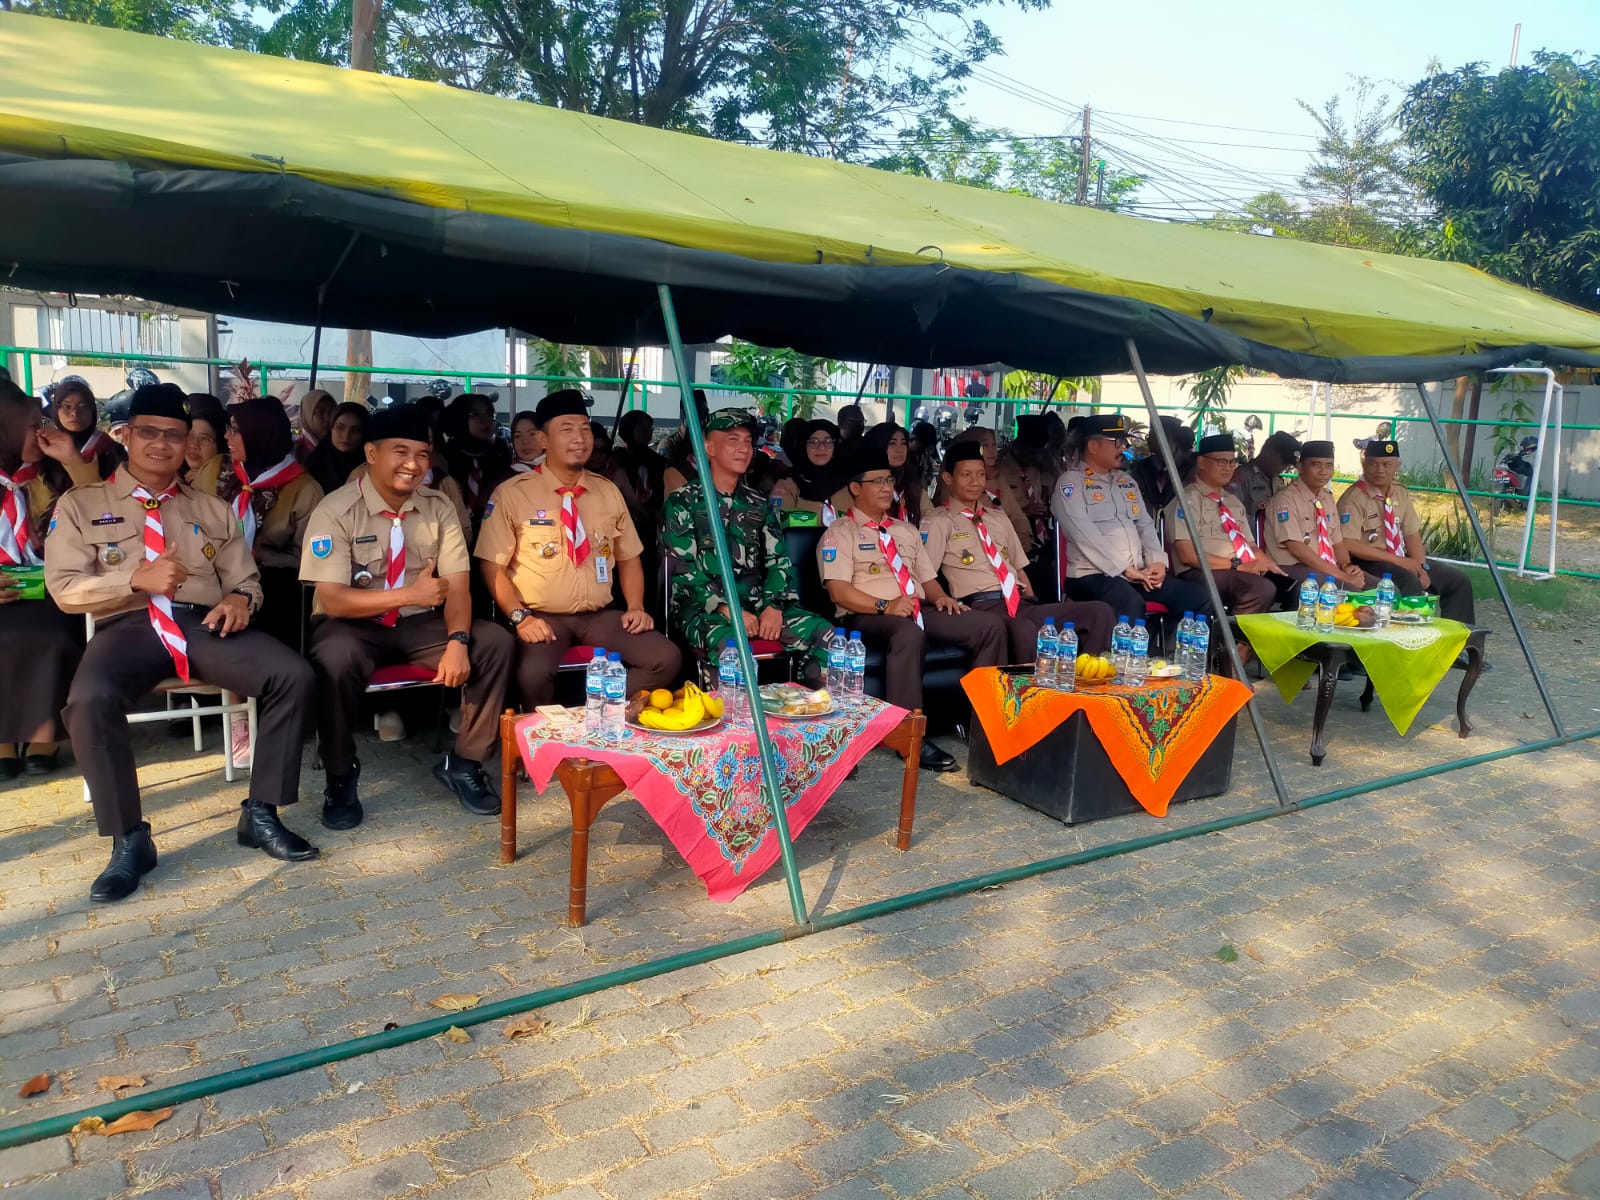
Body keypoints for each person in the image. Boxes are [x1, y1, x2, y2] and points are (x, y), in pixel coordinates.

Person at [46, 384, 319, 902]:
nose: (162, 444)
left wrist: (241, 600)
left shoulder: (211, 508)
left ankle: (261, 812)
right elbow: (63, 590)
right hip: (125, 625)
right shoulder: (82, 505)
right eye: (148, 432)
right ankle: (129, 840)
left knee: (294, 675)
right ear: (124, 436)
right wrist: (132, 580)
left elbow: (247, 579)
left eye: (175, 435)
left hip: (201, 623)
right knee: (87, 703)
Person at [300, 405, 514, 827]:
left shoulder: (437, 508)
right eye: (401, 452)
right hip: (351, 624)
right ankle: (341, 775)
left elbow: (457, 584)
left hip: (418, 623)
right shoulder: (335, 509)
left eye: (422, 454)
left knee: (495, 643)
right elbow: (334, 599)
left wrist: (458, 641)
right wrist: (408, 592)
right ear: (372, 454)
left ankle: (466, 763)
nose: (413, 465)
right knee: (333, 661)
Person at [476, 389, 681, 708]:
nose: (580, 438)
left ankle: (594, 712)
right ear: (543, 440)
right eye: (567, 429)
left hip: (599, 615)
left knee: (665, 658)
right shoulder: (513, 494)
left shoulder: (606, 491)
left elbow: (629, 558)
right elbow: (492, 567)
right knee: (532, 674)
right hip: (543, 616)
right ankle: (546, 735)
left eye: (585, 428)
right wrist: (521, 618)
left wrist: (637, 607)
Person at [818, 447, 1008, 773]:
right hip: (867, 614)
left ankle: (986, 726)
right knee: (908, 631)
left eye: (888, 481)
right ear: (855, 488)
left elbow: (927, 579)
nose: (885, 488)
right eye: (876, 482)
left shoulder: (903, 529)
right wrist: (885, 606)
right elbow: (839, 591)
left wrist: (940, 598)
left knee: (989, 626)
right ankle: (907, 736)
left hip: (915, 606)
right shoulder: (839, 533)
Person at [663, 409, 833, 681]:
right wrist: (727, 608)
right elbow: (683, 570)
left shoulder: (758, 503)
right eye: (733, 440)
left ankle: (801, 710)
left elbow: (779, 561)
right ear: (709, 447)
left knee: (824, 634)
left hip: (757, 605)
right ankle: (735, 720)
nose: (743, 449)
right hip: (703, 609)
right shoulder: (684, 502)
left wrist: (774, 606)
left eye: (747, 441)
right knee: (731, 646)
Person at [922, 441, 1113, 661]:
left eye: (980, 474)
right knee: (1024, 630)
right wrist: (942, 598)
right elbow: (925, 574)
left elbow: (1020, 569)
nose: (975, 482)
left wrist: (1030, 600)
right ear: (948, 478)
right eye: (966, 475)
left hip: (1019, 603)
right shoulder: (938, 522)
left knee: (1099, 612)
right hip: (982, 607)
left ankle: (1089, 683)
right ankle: (1027, 694)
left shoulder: (997, 517)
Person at [0, 381, 85, 780]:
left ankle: (43, 731)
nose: (43, 431)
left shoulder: (53, 472)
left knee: (54, 636)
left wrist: (74, 463)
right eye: (31, 424)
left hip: (51, 589)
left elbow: (105, 515)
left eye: (43, 421)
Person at [1053, 414, 1211, 622]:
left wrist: (1157, 562)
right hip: (1091, 575)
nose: (1123, 447)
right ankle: (1123, 655)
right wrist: (1124, 569)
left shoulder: (1126, 481)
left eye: (1124, 441)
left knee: (1197, 597)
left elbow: (1145, 526)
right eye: (1117, 442)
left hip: (1136, 574)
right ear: (1093, 446)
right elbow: (1085, 535)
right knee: (1130, 602)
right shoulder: (1071, 483)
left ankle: (1179, 651)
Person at [218, 396, 325, 646]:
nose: (226, 437)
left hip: (273, 589)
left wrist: (256, 556)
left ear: (260, 434)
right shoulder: (217, 471)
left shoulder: (304, 489)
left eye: (235, 430)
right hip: (214, 573)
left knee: (277, 589)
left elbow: (309, 559)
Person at [1338, 439, 1474, 622]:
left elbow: (1412, 535)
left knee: (1458, 581)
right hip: (1369, 560)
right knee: (1407, 578)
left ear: (1397, 466)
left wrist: (1421, 567)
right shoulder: (1354, 498)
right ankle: (1410, 639)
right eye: (1373, 464)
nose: (1380, 470)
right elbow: (1348, 543)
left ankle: (1461, 642)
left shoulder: (1400, 493)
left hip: (1400, 557)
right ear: (1364, 464)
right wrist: (1401, 562)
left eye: (1387, 465)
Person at [1169, 434, 1290, 615]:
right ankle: (1236, 640)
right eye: (1221, 462)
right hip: (1201, 571)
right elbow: (1188, 555)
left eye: (1232, 462)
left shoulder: (1233, 502)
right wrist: (1238, 566)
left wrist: (1264, 561)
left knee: (1288, 585)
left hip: (1238, 568)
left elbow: (1249, 543)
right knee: (1260, 589)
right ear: (1201, 462)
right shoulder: (1187, 500)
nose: (1228, 468)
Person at [1265, 440, 1376, 590]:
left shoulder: (1327, 498)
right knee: (1348, 588)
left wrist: (1346, 565)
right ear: (1300, 466)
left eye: (1329, 465)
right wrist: (1342, 576)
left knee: (1380, 588)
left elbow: (1337, 542)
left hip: (1327, 566)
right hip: (1292, 568)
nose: (1323, 471)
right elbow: (1297, 548)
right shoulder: (1285, 500)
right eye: (1315, 465)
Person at [829, 423, 925, 525]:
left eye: (904, 443)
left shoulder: (913, 485)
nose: (900, 449)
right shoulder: (856, 486)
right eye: (892, 443)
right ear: (878, 445)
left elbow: (931, 516)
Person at [441, 393, 513, 527]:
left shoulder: (501, 452)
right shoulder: (446, 455)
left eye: (489, 414)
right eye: (475, 414)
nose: (485, 420)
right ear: (459, 419)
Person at [770, 419, 847, 524]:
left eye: (828, 441)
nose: (821, 447)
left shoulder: (850, 484)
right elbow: (776, 523)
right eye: (813, 442)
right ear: (803, 446)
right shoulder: (786, 485)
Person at [48, 377, 125, 479]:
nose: (74, 413)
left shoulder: (111, 450)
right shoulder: (48, 449)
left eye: (83, 405)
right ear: (56, 409)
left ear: (92, 410)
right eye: (67, 406)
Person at [1228, 431, 1301, 537]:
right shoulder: (1242, 477)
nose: (1283, 468)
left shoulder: (1278, 481)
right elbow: (1233, 517)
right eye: (1283, 462)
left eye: (1287, 465)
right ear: (1268, 453)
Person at [1130, 415, 1194, 515]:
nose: (1148, 440)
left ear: (1166, 438)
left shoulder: (1194, 467)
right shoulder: (1143, 467)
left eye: (1151, 435)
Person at [304, 401, 370, 495]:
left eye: (355, 431)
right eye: (339, 428)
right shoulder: (314, 465)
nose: (346, 436)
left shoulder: (371, 468)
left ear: (363, 434)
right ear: (331, 429)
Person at [294, 389, 337, 461]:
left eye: (331, 412)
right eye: (321, 412)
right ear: (307, 415)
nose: (327, 418)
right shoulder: (296, 453)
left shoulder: (341, 447)